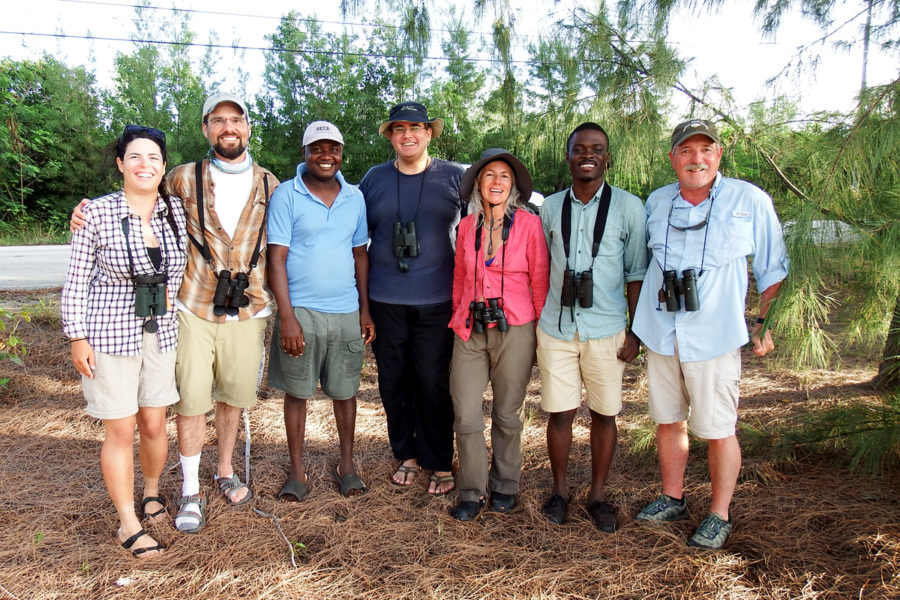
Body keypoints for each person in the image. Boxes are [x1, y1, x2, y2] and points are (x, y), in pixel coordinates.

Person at [73, 93, 279, 533]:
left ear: (247, 127)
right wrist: (84, 209)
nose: (228, 128)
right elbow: (136, 193)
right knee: (190, 400)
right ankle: (189, 488)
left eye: (236, 120)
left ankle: (224, 470)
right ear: (206, 129)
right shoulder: (183, 177)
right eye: (218, 120)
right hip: (190, 307)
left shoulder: (270, 183)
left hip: (249, 308)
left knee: (233, 397)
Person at [632, 119, 788, 549]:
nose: (695, 158)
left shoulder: (749, 199)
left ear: (718, 155)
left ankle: (719, 513)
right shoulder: (657, 201)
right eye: (686, 151)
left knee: (719, 427)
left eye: (705, 149)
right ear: (673, 158)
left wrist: (763, 323)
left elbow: (773, 267)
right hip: (662, 330)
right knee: (668, 420)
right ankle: (672, 497)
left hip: (715, 333)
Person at [62, 125, 187, 557]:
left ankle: (151, 493)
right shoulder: (95, 214)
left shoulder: (176, 213)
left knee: (154, 424)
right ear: (120, 164)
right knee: (120, 430)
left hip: (161, 333)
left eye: (153, 157)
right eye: (135, 156)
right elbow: (76, 282)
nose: (144, 165)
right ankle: (128, 522)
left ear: (163, 165)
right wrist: (77, 337)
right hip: (109, 335)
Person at [536, 122, 647, 532]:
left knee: (604, 414)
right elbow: (541, 268)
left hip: (606, 328)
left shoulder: (630, 208)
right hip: (556, 327)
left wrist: (636, 331)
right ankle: (560, 491)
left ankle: (597, 495)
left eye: (596, 148)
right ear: (568, 156)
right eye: (580, 148)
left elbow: (636, 272)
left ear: (607, 157)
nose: (588, 154)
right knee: (560, 413)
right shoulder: (549, 207)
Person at [359, 102, 466, 495]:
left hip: (438, 301)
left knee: (434, 382)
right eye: (399, 128)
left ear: (429, 133)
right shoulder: (374, 180)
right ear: (390, 136)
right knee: (394, 382)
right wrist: (361, 306)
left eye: (416, 128)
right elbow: (356, 242)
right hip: (386, 300)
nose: (408, 135)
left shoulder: (457, 176)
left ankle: (438, 459)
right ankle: (405, 454)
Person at [266, 121, 375, 501]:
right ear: (305, 153)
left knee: (345, 393)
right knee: (298, 393)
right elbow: (275, 259)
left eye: (333, 148)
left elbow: (360, 254)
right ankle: (297, 473)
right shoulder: (286, 195)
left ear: (342, 153)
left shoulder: (355, 197)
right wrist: (288, 316)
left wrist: (365, 310)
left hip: (346, 312)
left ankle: (347, 465)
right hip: (302, 313)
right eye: (317, 148)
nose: (326, 155)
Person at [447, 149, 549, 521]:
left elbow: (540, 279)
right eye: (489, 175)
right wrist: (458, 320)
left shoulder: (529, 225)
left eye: (504, 176)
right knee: (467, 414)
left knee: (507, 414)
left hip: (516, 327)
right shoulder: (466, 226)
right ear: (478, 183)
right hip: (470, 328)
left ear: (514, 186)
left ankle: (506, 484)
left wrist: (537, 335)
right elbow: (459, 279)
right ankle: (472, 490)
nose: (496, 182)